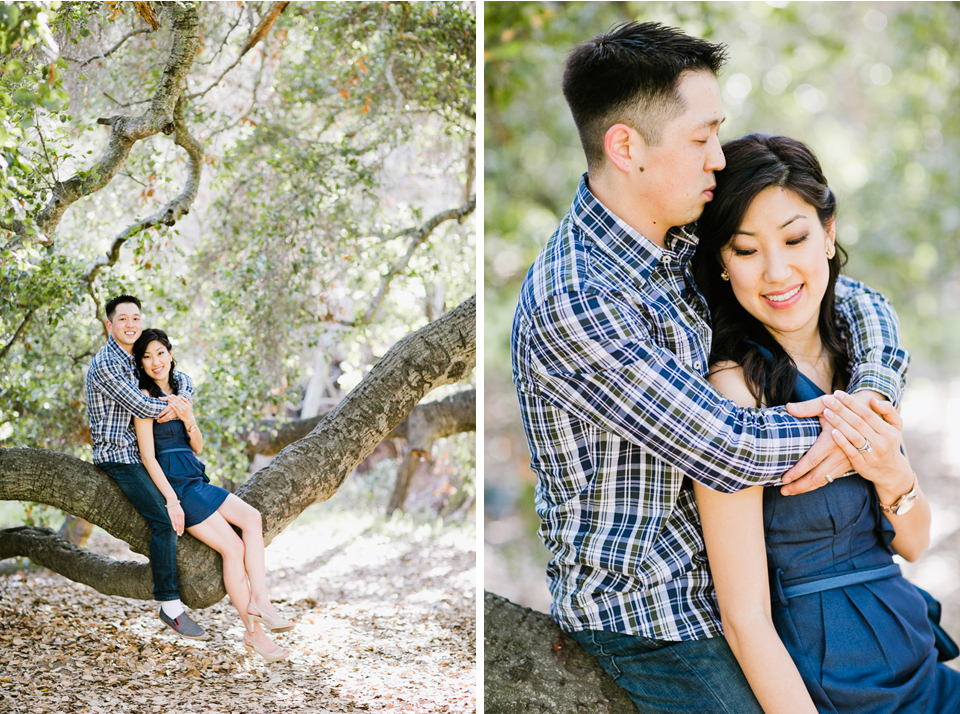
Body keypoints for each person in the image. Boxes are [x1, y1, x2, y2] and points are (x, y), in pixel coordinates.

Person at [510, 22, 910, 713]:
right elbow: (729, 446)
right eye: (701, 139)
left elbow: (857, 300)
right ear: (626, 146)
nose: (717, 161)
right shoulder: (577, 297)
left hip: (753, 585)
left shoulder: (680, 239)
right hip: (654, 616)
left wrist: (870, 392)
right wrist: (860, 440)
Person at [690, 133, 960, 713]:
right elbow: (744, 619)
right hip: (835, 680)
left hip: (912, 646)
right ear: (720, 261)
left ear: (829, 232)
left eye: (795, 238)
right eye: (746, 250)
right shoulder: (731, 393)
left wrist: (891, 473)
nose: (777, 271)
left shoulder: (860, 362)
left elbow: (911, 543)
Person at [131, 328, 294, 663]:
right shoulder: (143, 399)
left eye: (160, 353)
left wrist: (189, 418)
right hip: (176, 486)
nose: (155, 362)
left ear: (170, 354)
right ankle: (255, 634)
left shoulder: (181, 393)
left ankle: (260, 602)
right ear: (141, 363)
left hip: (196, 477)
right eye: (147, 356)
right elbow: (148, 457)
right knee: (232, 548)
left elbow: (197, 445)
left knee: (252, 519)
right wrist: (171, 500)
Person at [86, 294, 205, 639]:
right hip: (119, 456)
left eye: (135, 318)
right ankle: (170, 605)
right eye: (122, 319)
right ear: (110, 325)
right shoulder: (108, 363)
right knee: (164, 519)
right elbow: (142, 404)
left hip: (140, 453)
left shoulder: (135, 357)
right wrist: (177, 409)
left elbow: (181, 377)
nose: (131, 324)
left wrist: (182, 402)